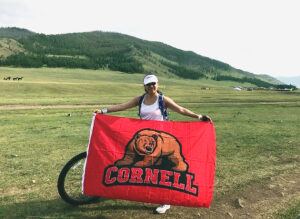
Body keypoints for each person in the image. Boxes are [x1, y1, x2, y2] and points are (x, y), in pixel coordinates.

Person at [95, 74, 211, 214]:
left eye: (154, 83)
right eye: (149, 84)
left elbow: (181, 110)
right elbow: (122, 106)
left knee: (162, 169)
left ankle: (165, 201)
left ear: (158, 84)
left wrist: (199, 117)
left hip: (162, 140)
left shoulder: (163, 100)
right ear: (144, 86)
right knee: (136, 160)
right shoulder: (140, 99)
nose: (152, 86)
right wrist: (103, 111)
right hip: (144, 136)